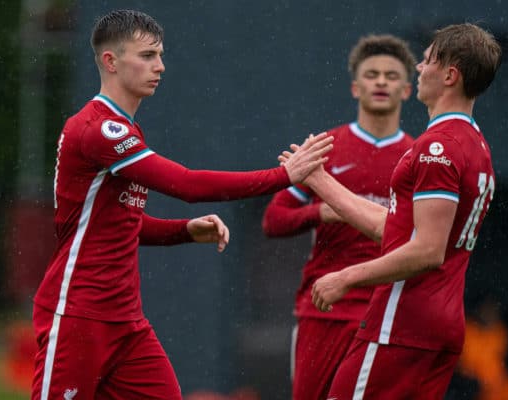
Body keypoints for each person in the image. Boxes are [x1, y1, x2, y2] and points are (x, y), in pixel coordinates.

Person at [31, 10, 333, 400]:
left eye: (160, 54)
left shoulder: (123, 129)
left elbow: (121, 225)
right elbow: (187, 185)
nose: (160, 66)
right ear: (110, 61)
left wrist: (184, 231)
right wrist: (284, 176)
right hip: (78, 314)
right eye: (147, 55)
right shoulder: (99, 129)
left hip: (126, 322)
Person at [297, 23, 502, 398]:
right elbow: (396, 229)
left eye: (426, 61)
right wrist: (319, 180)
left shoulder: (436, 147)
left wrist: (346, 276)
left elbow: (426, 250)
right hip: (440, 324)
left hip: (402, 321)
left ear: (450, 75)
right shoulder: (476, 145)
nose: (420, 69)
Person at [261, 34, 416, 400]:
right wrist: (321, 212)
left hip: (386, 313)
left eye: (391, 76)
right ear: (355, 87)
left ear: (407, 90)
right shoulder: (326, 147)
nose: (381, 82)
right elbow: (274, 219)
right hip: (325, 308)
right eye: (372, 74)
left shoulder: (417, 155)